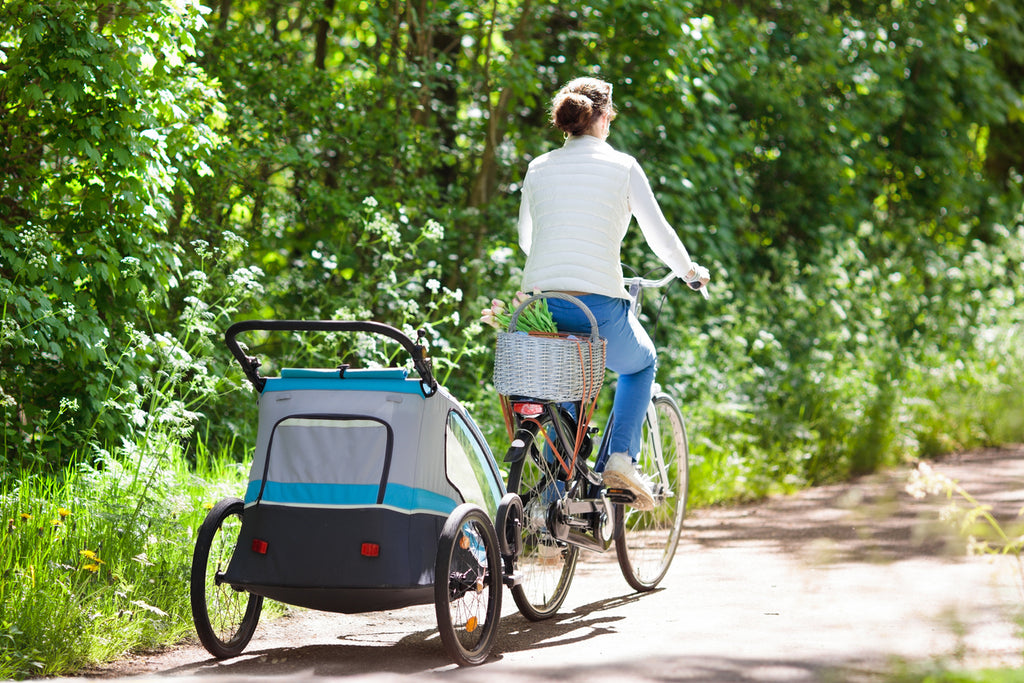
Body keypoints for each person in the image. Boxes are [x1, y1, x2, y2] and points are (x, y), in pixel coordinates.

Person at [517, 76, 710, 510]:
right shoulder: (622, 166)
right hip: (599, 306)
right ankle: (621, 459)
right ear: (603, 118)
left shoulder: (538, 167)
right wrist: (689, 271)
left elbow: (528, 239)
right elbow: (659, 234)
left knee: (568, 400)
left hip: (545, 305)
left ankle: (551, 505)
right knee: (641, 364)